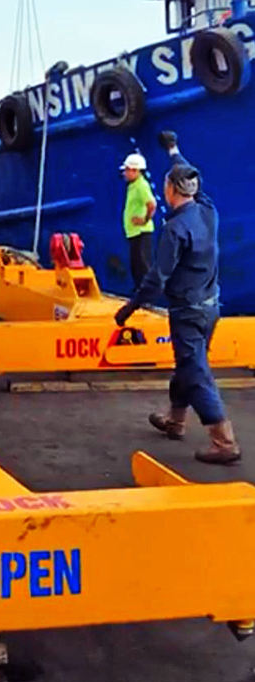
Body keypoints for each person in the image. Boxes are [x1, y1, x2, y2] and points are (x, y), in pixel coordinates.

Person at [114, 144, 240, 465]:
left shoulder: (175, 230)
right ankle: (175, 420)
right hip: (211, 307)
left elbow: (157, 278)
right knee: (187, 363)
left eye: (167, 183)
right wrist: (174, 151)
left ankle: (224, 441)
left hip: (187, 312)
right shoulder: (208, 211)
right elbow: (197, 180)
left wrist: (129, 308)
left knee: (195, 371)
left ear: (171, 190)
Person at [121, 153, 157, 290]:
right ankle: (139, 292)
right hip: (134, 232)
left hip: (141, 232)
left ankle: (147, 294)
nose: (124, 173)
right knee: (136, 264)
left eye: (127, 170)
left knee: (143, 264)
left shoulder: (141, 185)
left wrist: (145, 220)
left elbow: (151, 204)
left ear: (135, 170)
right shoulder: (133, 185)